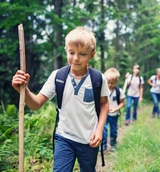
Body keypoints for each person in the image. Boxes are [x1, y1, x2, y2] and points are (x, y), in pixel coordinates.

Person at [12, 26, 109, 172]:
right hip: (64, 138)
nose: (75, 58)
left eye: (82, 54)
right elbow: (36, 104)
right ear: (66, 50)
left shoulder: (98, 79)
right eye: (71, 52)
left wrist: (99, 129)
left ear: (92, 55)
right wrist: (23, 90)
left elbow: (104, 104)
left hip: (89, 140)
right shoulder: (58, 76)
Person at [102, 67, 125, 153]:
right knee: (103, 130)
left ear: (116, 82)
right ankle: (103, 146)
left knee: (113, 130)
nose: (109, 85)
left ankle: (113, 144)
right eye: (108, 83)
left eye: (112, 83)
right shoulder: (103, 90)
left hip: (114, 115)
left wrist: (115, 109)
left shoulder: (119, 91)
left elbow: (122, 102)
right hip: (104, 114)